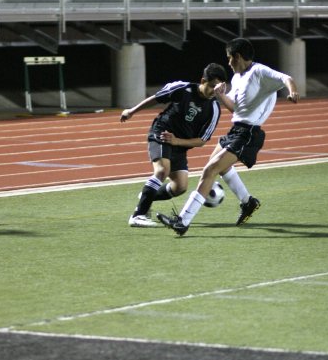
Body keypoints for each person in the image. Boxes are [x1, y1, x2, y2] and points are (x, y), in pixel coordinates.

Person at [157, 37, 300, 236]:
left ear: (238, 56)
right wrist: (220, 94)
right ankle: (248, 202)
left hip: (249, 132)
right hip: (236, 130)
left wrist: (292, 92)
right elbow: (234, 108)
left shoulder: (259, 72)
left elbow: (286, 78)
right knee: (219, 167)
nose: (228, 63)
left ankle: (183, 221)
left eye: (229, 58)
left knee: (210, 170)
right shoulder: (236, 78)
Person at [120, 63, 227, 227]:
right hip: (162, 132)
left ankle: (146, 195)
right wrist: (132, 111)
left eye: (218, 88)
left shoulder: (214, 108)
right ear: (203, 80)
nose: (214, 91)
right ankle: (138, 215)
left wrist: (177, 141)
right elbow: (156, 98)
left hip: (178, 145)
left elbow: (202, 140)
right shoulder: (183, 89)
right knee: (162, 171)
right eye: (212, 86)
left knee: (180, 186)